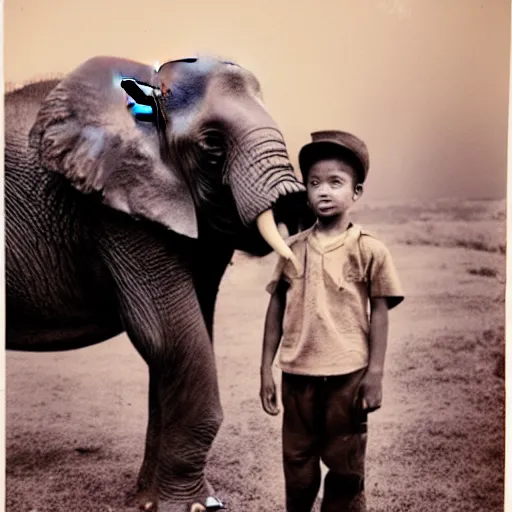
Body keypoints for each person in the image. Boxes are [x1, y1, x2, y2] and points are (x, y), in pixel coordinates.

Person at [259, 130, 404, 512]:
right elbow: (275, 309)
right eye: (314, 183)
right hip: (297, 376)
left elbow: (380, 313)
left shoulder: (370, 249)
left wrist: (375, 374)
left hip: (348, 376)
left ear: (356, 192)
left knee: (344, 466)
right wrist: (265, 371)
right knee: (298, 465)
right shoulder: (290, 249)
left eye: (335, 183)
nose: (323, 191)